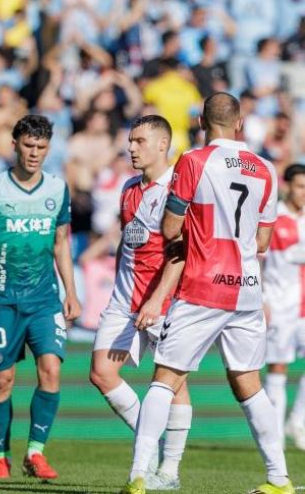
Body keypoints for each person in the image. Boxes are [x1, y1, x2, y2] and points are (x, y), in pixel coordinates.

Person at [121, 93, 294, 494]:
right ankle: (279, 479)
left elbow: (168, 229)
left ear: (201, 121)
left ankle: (140, 475)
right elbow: (263, 241)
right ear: (240, 123)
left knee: (165, 379)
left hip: (203, 285)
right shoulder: (266, 168)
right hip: (248, 290)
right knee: (249, 383)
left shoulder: (194, 161)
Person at [0, 114, 81, 480]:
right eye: (29, 146)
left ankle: (36, 452)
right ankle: (1, 454)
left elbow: (62, 243)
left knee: (51, 370)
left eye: (42, 147)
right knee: (3, 380)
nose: (34, 154)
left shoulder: (57, 189)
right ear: (14, 144)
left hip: (44, 299)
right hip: (0, 299)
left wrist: (71, 292)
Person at [89, 115, 191, 490]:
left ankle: (170, 471)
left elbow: (179, 255)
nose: (131, 148)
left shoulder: (177, 193)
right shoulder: (129, 187)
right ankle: (152, 442)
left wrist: (158, 300)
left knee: (173, 381)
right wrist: (119, 282)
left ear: (163, 145)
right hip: (123, 301)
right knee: (101, 372)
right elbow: (127, 241)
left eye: (140, 141)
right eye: (130, 141)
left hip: (164, 301)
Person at [263, 163, 305, 451]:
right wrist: (262, 300)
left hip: (304, 305)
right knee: (278, 367)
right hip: (279, 304)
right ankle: (274, 436)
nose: (304, 193)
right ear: (288, 185)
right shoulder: (273, 217)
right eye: (300, 186)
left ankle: (297, 421)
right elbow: (257, 258)